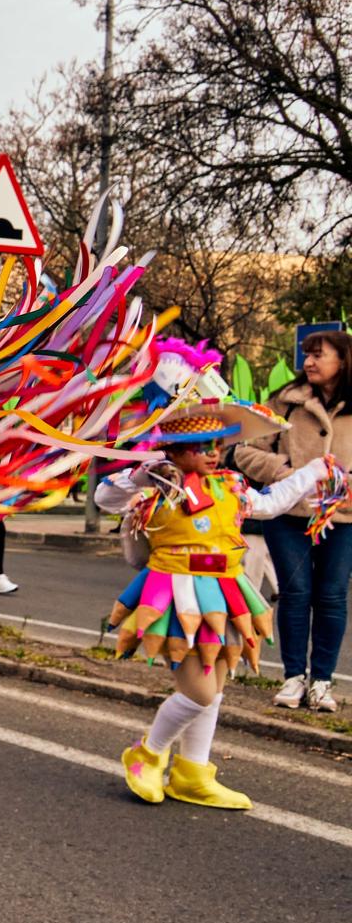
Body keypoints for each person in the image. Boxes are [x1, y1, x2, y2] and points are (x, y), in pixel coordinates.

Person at [105, 355, 336, 809]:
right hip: (174, 597)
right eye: (202, 444)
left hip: (227, 594)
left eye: (217, 443)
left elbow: (271, 503)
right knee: (198, 692)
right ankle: (147, 753)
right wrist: (141, 472)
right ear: (174, 449)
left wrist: (313, 472)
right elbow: (107, 495)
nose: (214, 452)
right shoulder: (157, 487)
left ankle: (192, 772)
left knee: (216, 686)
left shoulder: (230, 487)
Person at [235, 328, 352, 712]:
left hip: (343, 517)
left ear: (343, 360)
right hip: (288, 514)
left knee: (332, 596)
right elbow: (245, 452)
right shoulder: (284, 402)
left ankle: (322, 681)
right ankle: (292, 678)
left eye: (320, 354)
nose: (310, 362)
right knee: (296, 593)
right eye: (307, 354)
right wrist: (288, 472)